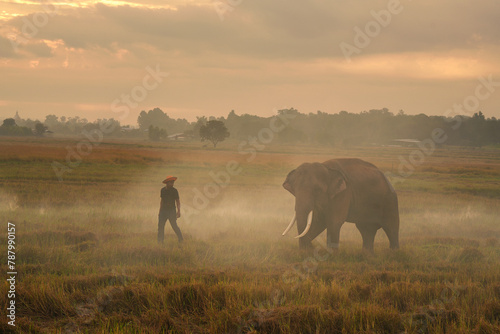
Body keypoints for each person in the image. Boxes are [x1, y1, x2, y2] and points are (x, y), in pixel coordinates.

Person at [158, 176, 183, 244]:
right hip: (163, 211)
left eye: (173, 182)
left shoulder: (174, 191)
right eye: (171, 182)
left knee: (174, 225)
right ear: (167, 183)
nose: (172, 184)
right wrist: (160, 211)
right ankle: (160, 241)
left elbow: (177, 201)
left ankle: (181, 239)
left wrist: (179, 211)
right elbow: (162, 201)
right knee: (160, 226)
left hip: (171, 210)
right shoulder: (162, 190)